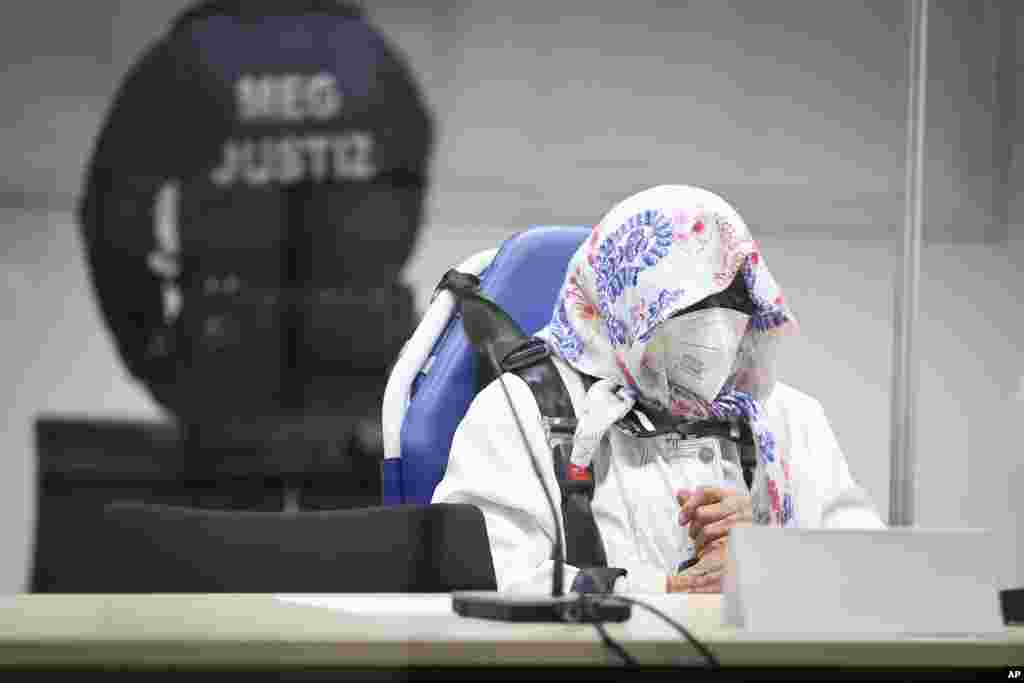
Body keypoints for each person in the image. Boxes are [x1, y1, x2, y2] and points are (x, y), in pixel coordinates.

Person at [431, 184, 884, 593]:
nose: (719, 328)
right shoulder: (521, 410)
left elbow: (873, 573)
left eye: (734, 302)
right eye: (697, 304)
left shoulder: (785, 416)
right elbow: (482, 575)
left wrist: (774, 554)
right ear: (631, 302)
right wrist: (666, 590)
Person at [76, 0, 434, 509]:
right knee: (355, 567)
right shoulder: (371, 58)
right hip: (360, 372)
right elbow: (405, 196)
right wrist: (364, 292)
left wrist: (149, 346)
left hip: (223, 368)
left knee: (222, 565)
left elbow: (112, 218)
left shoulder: (186, 58)